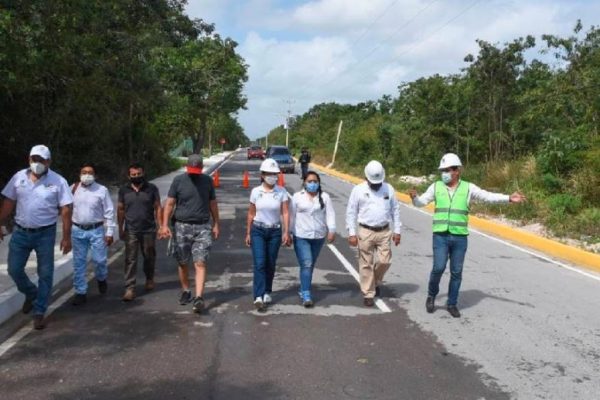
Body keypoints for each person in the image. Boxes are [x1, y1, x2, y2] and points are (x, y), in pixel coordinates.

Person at [408, 153, 526, 318]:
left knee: (456, 272)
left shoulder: (468, 188)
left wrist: (508, 198)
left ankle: (452, 303)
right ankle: (432, 295)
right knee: (438, 268)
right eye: (442, 170)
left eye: (447, 170)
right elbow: (421, 203)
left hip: (459, 237)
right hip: (440, 236)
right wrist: (415, 198)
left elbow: (487, 196)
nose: (444, 173)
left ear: (457, 171)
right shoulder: (436, 187)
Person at [0, 145, 73, 330]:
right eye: (34, 159)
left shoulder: (59, 181)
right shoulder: (19, 177)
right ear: (29, 159)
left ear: (48, 162)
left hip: (45, 234)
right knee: (14, 270)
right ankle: (31, 293)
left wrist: (66, 237)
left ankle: (39, 311)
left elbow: (66, 210)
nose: (37, 163)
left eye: (41, 160)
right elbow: (9, 201)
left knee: (46, 274)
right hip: (21, 232)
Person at [159, 154, 220, 314]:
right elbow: (170, 203)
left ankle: (199, 297)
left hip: (202, 227)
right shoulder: (178, 181)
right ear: (187, 167)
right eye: (191, 170)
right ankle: (186, 290)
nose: (193, 173)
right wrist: (164, 225)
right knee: (183, 262)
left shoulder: (207, 181)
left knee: (200, 262)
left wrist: (216, 224)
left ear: (201, 168)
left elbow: (213, 203)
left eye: (196, 170)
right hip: (181, 227)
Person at [346, 160, 401, 307]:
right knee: (366, 264)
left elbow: (395, 209)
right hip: (365, 231)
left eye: (378, 182)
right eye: (373, 182)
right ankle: (368, 293)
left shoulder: (389, 189)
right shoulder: (358, 190)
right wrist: (352, 233)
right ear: (366, 178)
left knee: (385, 261)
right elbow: (351, 212)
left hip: (384, 231)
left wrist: (397, 231)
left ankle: (374, 282)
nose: (376, 185)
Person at [245, 158, 290, 312]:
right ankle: (258, 295)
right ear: (262, 175)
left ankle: (267, 291)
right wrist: (248, 233)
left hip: (275, 232)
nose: (273, 176)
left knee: (270, 263)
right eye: (270, 174)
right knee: (260, 263)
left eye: (275, 174)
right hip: (258, 230)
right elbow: (251, 213)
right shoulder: (256, 192)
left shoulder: (281, 192)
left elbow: (285, 212)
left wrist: (286, 231)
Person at [70, 163, 115, 305]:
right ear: (79, 174)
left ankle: (101, 278)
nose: (87, 175)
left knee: (99, 260)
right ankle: (80, 292)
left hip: (96, 230)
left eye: (90, 172)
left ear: (95, 175)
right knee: (79, 263)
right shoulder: (73, 188)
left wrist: (110, 232)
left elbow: (109, 211)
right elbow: (65, 207)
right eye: (84, 172)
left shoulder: (102, 190)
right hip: (78, 230)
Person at [117, 163, 162, 302]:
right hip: (131, 230)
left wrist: (161, 226)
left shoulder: (152, 188)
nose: (136, 176)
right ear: (129, 176)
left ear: (143, 173)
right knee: (130, 259)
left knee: (149, 255)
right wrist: (120, 228)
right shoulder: (123, 190)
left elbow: (158, 207)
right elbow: (121, 209)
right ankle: (130, 288)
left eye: (139, 174)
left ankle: (149, 278)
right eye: (133, 175)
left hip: (148, 229)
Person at [290, 171, 335, 307]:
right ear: (304, 182)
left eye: (315, 181)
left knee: (310, 265)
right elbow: (291, 216)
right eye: (310, 181)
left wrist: (331, 230)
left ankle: (303, 287)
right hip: (301, 236)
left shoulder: (325, 197)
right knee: (307, 264)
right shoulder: (297, 197)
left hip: (318, 236)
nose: (313, 184)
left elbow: (330, 214)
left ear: (319, 183)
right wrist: (287, 233)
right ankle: (306, 294)